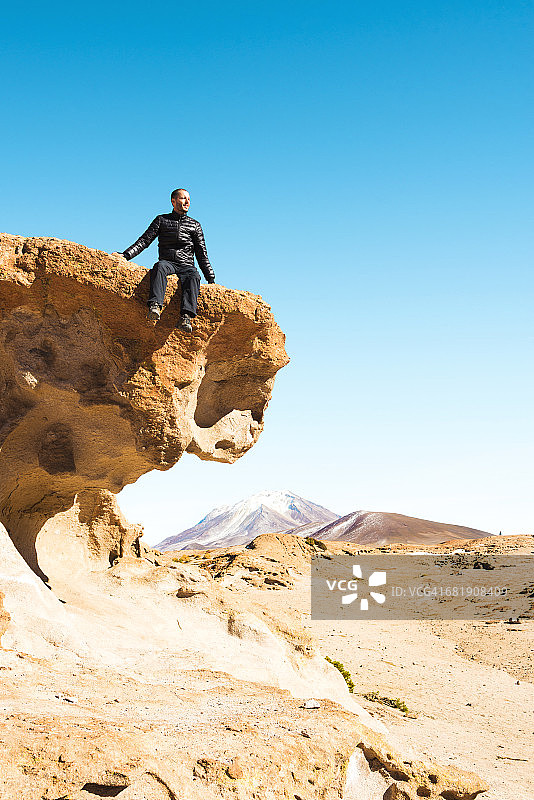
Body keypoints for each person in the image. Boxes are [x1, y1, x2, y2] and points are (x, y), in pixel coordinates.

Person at [112, 188, 215, 332]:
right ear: (173, 201)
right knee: (159, 267)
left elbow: (201, 253)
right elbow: (144, 241)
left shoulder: (195, 225)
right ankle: (155, 306)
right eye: (183, 198)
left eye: (189, 199)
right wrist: (126, 255)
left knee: (194, 276)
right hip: (168, 262)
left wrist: (211, 279)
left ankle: (186, 317)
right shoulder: (162, 220)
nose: (187, 202)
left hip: (186, 264)